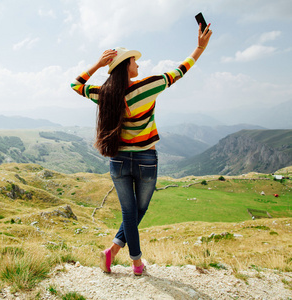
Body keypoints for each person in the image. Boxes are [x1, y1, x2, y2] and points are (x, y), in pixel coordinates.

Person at [71, 23, 212, 275]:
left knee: (129, 212)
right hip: (147, 159)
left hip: (118, 161)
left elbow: (76, 84)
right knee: (138, 211)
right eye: (134, 61)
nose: (138, 65)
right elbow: (180, 71)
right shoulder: (148, 86)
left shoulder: (104, 94)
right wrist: (199, 48)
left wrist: (97, 65)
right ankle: (136, 262)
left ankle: (114, 252)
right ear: (126, 66)